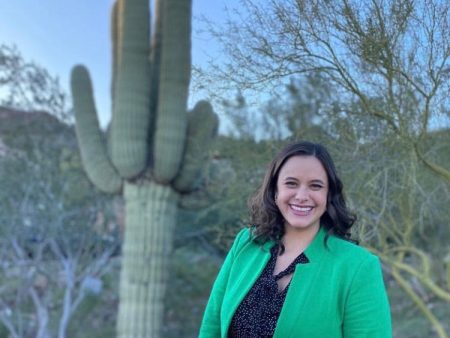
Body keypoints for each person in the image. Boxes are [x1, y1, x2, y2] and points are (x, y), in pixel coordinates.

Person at [198, 140, 392, 338]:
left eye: (315, 186)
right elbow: (211, 327)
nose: (301, 196)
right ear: (275, 191)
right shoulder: (246, 244)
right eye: (291, 183)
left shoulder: (357, 266)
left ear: (328, 195)